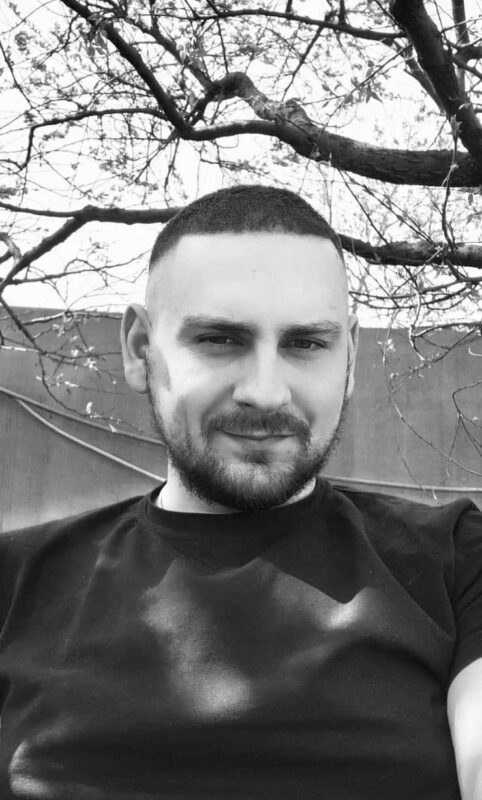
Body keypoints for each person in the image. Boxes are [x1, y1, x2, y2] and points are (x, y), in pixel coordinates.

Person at [0, 185, 481, 800]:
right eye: (219, 339)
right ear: (141, 349)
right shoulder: (15, 584)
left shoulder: (457, 562)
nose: (265, 391)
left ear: (350, 359)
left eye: (306, 343)